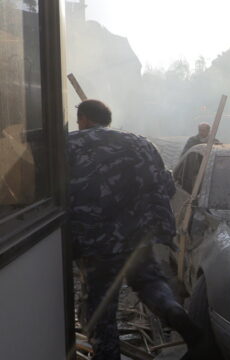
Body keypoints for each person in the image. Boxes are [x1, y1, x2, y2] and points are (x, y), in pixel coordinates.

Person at [68, 100, 208, 360]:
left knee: (100, 310)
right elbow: (166, 186)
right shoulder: (139, 142)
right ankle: (179, 319)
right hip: (138, 238)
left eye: (79, 121)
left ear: (84, 119)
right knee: (149, 282)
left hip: (97, 245)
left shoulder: (70, 145)